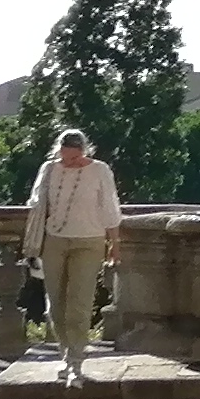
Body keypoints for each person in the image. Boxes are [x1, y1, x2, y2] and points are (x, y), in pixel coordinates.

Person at [21, 127, 126, 377]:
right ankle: (65, 352)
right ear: (58, 151)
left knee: (79, 302)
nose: (70, 162)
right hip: (54, 241)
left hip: (89, 241)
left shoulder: (100, 170)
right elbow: (36, 203)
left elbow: (110, 207)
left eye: (75, 157)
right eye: (65, 157)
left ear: (84, 151)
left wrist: (114, 243)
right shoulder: (49, 169)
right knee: (55, 304)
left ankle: (76, 360)